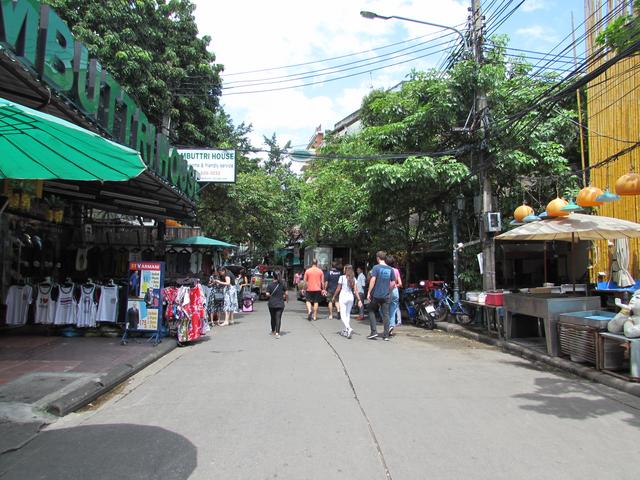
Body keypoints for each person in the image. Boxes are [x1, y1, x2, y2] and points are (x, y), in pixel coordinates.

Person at [366, 251, 396, 341]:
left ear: (378, 258)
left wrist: (369, 292)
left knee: (371, 310)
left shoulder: (376, 267)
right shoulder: (391, 269)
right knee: (386, 314)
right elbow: (393, 283)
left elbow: (373, 280)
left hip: (376, 294)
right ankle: (386, 335)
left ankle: (374, 332)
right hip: (386, 295)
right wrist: (388, 291)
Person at [332, 264, 362, 339]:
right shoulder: (354, 278)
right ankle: (346, 330)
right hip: (350, 297)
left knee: (342, 315)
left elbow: (338, 289)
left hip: (343, 296)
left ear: (346, 270)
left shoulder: (342, 277)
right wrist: (359, 300)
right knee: (347, 314)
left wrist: (334, 296)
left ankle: (348, 328)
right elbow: (356, 290)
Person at [266, 270, 288, 338]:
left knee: (273, 318)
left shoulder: (270, 285)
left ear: (273, 276)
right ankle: (277, 333)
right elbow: (286, 293)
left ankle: (273, 331)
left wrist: (270, 296)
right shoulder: (283, 284)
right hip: (280, 304)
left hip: (272, 304)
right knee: (278, 318)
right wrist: (286, 298)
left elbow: (267, 294)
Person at [386, 255, 403, 336]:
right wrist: (395, 285)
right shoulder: (396, 270)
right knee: (393, 310)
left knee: (382, 309)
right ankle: (391, 326)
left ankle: (389, 325)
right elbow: (400, 283)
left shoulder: (385, 270)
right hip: (395, 291)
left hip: (387, 291)